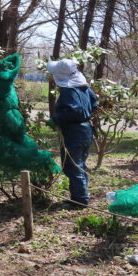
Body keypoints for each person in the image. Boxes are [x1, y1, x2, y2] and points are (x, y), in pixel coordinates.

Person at [47, 59, 98, 208]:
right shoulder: (83, 87)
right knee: (80, 164)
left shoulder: (68, 90)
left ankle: (80, 200)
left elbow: (73, 111)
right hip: (86, 130)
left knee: (73, 166)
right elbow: (94, 103)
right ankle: (80, 196)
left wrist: (56, 119)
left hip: (74, 132)